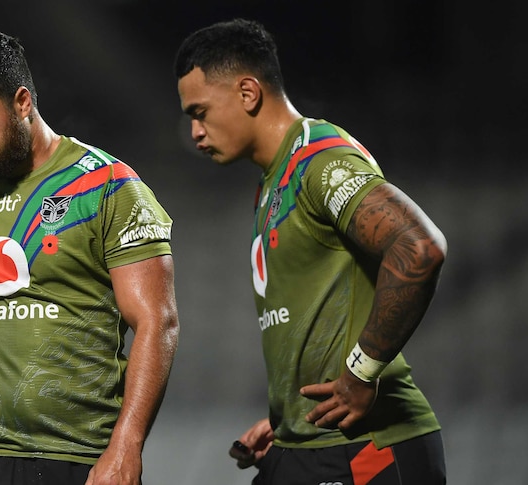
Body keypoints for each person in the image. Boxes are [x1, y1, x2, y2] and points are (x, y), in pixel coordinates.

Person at [174, 18, 447, 484]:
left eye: (199, 112)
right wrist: (289, 418)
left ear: (247, 93)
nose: (195, 132)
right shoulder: (270, 185)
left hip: (366, 448)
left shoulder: (319, 161)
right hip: (305, 442)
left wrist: (359, 375)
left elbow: (419, 247)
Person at [0, 27, 179, 485]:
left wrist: (126, 447)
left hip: (74, 459)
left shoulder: (108, 187)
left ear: (22, 102)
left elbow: (157, 321)